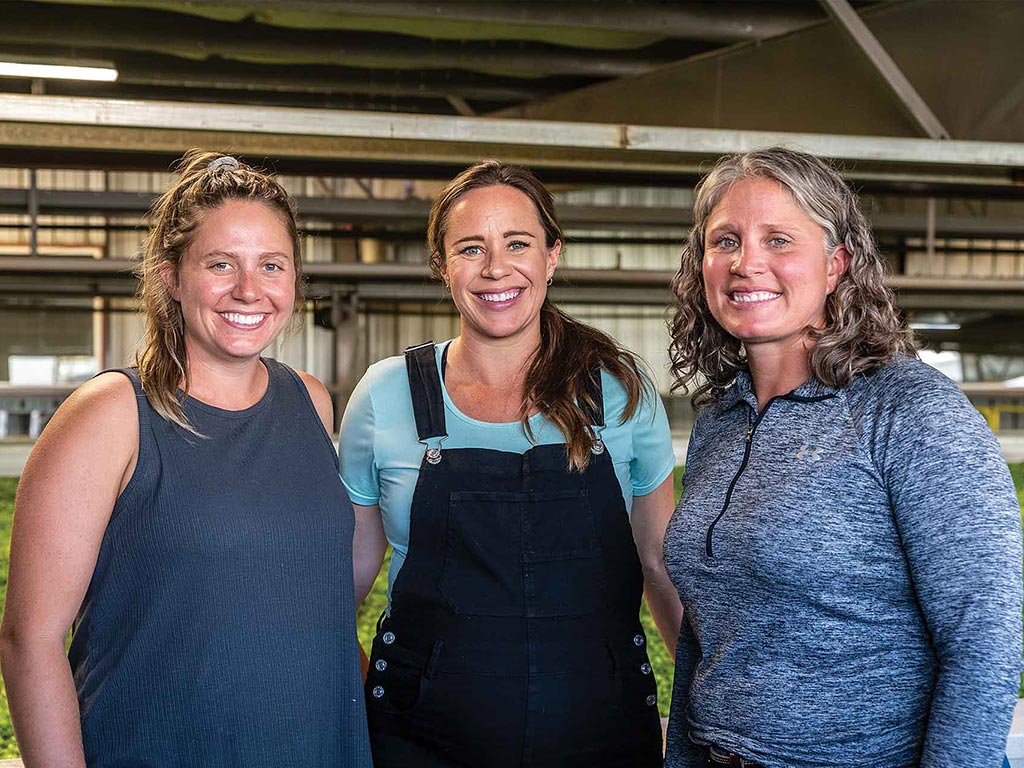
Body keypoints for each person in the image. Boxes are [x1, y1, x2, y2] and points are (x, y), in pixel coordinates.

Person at [0, 151, 371, 767]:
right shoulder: (111, 414)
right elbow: (27, 641)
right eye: (220, 264)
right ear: (171, 275)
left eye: (271, 266)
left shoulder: (311, 402)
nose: (248, 290)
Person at [663, 146, 1022, 768]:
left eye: (778, 240)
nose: (747, 263)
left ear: (837, 264)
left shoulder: (909, 409)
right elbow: (705, 632)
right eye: (725, 241)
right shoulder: (720, 423)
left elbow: (985, 641)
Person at [340, 159, 681, 768]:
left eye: (517, 243)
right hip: (421, 738)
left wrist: (713, 703)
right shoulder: (387, 395)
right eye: (471, 248)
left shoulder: (618, 392)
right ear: (442, 267)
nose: (496, 268)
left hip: (601, 733)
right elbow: (344, 585)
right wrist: (348, 694)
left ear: (552, 255)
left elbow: (660, 566)